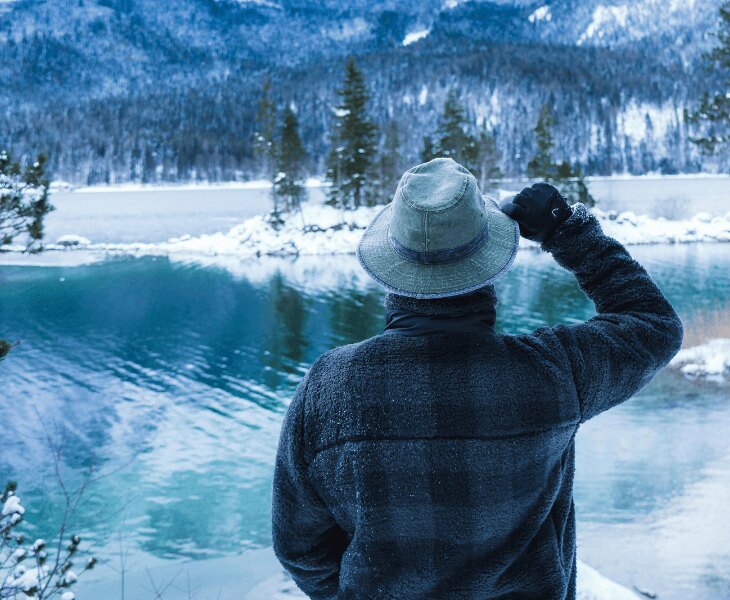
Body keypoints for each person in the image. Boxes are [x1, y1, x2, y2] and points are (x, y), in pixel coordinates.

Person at [272, 158, 683, 599]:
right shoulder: (550, 373)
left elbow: (301, 549)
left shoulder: (330, 388)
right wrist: (568, 232)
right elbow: (653, 325)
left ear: (392, 267)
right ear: (490, 268)